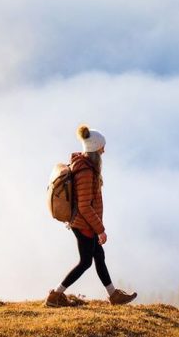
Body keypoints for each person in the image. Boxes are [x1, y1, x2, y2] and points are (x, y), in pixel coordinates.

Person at [45, 125, 137, 307]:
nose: (104, 150)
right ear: (95, 149)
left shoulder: (85, 166)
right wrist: (100, 230)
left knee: (98, 256)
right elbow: (85, 206)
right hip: (83, 223)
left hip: (83, 222)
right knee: (85, 262)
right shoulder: (86, 172)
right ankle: (55, 295)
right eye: (102, 147)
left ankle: (113, 295)